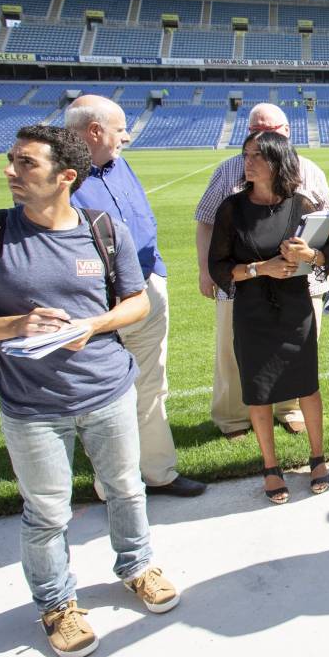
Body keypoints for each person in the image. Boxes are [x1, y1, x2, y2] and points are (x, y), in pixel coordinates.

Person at [0, 125, 179, 657]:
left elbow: (136, 301)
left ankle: (137, 566)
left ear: (66, 176)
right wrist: (16, 324)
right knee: (46, 512)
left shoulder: (103, 229)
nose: (11, 171)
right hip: (32, 407)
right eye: (12, 160)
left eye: (26, 163)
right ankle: (57, 604)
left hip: (108, 390)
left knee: (126, 488)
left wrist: (94, 325)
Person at [64, 96, 205, 498]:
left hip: (145, 289)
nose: (126, 136)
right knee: (103, 395)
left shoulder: (119, 165)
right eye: (120, 128)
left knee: (152, 384)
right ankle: (115, 487)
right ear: (95, 131)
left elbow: (140, 218)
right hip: (98, 304)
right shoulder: (62, 176)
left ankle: (159, 472)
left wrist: (155, 271)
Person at [208, 132, 329, 503]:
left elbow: (328, 255)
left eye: (257, 156)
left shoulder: (302, 204)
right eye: (246, 155)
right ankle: (270, 466)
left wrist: (307, 255)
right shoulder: (232, 209)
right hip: (252, 312)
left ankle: (318, 457)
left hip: (296, 310)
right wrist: (260, 268)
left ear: (277, 161)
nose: (247, 163)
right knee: (258, 389)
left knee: (307, 385)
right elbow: (218, 267)